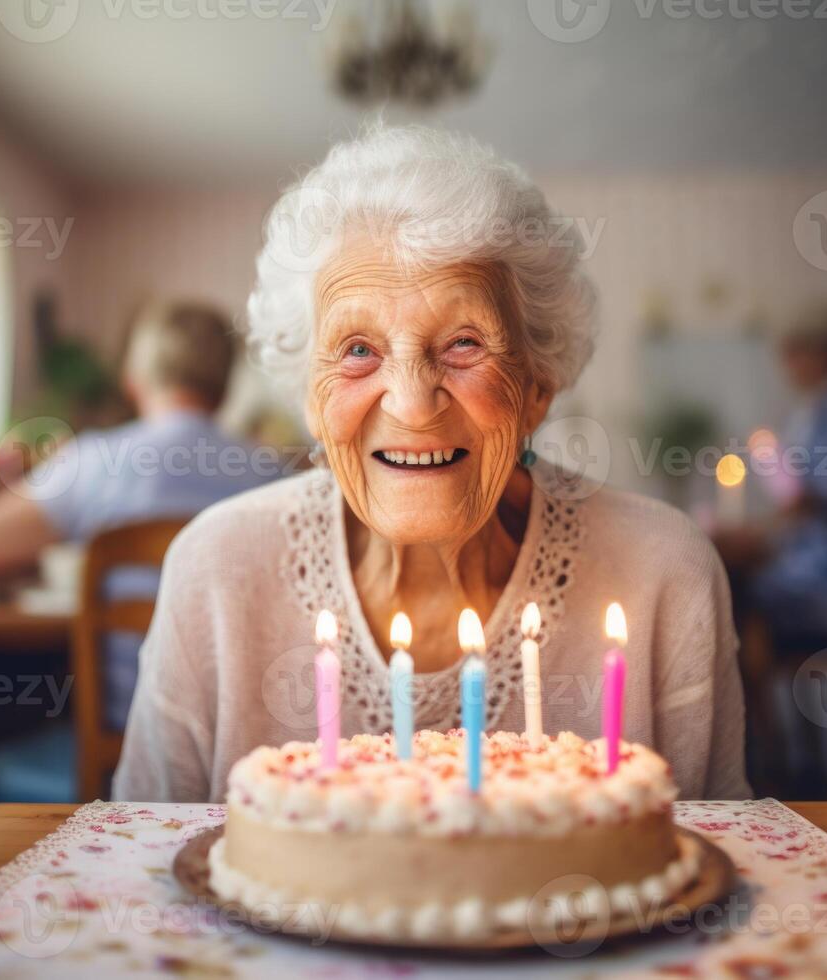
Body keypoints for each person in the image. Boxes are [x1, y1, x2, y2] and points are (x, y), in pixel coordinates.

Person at [113, 124, 750, 804]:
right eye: (357, 348)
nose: (414, 404)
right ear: (309, 396)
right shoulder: (215, 572)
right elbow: (140, 867)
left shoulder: (663, 575)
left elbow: (717, 873)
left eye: (464, 342)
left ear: (537, 386)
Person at [0, 301, 273, 812]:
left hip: (117, 752)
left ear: (134, 381)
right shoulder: (273, 476)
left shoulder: (93, 463)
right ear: (223, 387)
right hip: (247, 757)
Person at [715, 305, 827, 640]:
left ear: (822, 353)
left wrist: (760, 531)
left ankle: (749, 688)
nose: (786, 367)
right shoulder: (814, 410)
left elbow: (819, 497)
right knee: (725, 582)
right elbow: (798, 496)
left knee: (726, 591)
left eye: (793, 354)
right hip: (805, 556)